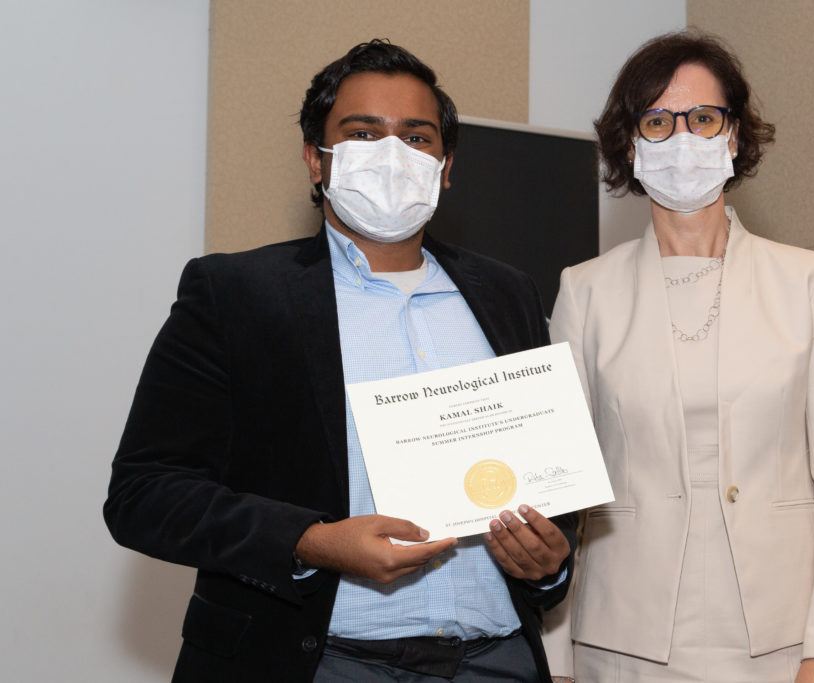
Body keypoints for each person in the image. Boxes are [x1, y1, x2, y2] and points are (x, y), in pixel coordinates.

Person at [104, 40, 575, 683]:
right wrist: (311, 542)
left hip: (496, 659)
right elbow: (144, 494)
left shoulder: (508, 293)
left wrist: (548, 562)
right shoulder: (235, 292)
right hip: (316, 662)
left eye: (416, 137)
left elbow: (547, 480)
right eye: (362, 133)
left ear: (445, 166)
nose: (392, 155)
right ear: (315, 159)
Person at [545, 31, 814, 683]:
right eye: (658, 121)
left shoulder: (806, 281)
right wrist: (555, 661)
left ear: (733, 135)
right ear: (631, 143)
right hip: (622, 642)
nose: (682, 139)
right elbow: (559, 497)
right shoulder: (585, 292)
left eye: (702, 118)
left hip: (781, 640)